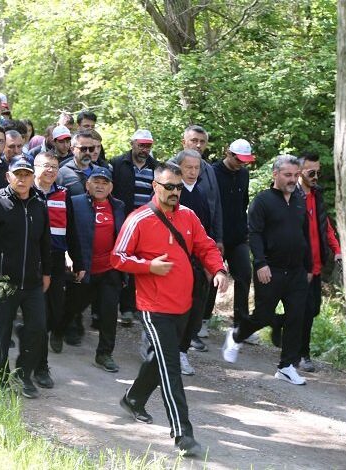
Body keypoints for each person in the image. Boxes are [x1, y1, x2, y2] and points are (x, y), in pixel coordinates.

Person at [112, 162, 227, 457]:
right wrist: (149, 265)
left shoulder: (188, 216)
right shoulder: (139, 219)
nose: (175, 192)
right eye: (169, 187)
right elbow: (118, 258)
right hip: (153, 306)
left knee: (158, 360)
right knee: (170, 367)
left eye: (178, 187)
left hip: (184, 305)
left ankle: (133, 399)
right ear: (155, 186)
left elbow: (206, 247)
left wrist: (218, 270)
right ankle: (183, 436)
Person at [223, 155, 311, 386]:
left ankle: (286, 366)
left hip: (297, 271)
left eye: (295, 175)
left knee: (296, 318)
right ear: (275, 174)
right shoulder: (262, 201)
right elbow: (254, 234)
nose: (293, 180)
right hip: (270, 269)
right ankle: (236, 335)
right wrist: (260, 263)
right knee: (262, 315)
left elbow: (305, 235)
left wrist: (309, 267)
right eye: (288, 175)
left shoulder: (300, 200)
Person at [0, 158, 52, 399]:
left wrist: (47, 272)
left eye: (26, 174)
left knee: (38, 328)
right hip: (3, 281)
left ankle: (23, 374)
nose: (22, 178)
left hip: (32, 281)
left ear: (32, 177)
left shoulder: (40, 205)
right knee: (0, 332)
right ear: (8, 177)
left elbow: (45, 243)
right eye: (17, 174)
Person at [63, 165, 125, 372]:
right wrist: (68, 256)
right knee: (72, 307)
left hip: (110, 270)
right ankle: (57, 330)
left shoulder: (118, 206)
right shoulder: (75, 203)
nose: (100, 186)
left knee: (109, 313)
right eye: (96, 182)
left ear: (111, 187)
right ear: (87, 185)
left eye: (104, 183)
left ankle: (104, 354)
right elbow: (66, 232)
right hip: (84, 268)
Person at [33, 151, 82, 385]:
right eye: (46, 166)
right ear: (35, 168)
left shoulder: (64, 194)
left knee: (56, 308)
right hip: (30, 261)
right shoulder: (26, 192)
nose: (51, 170)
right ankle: (40, 367)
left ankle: (37, 337)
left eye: (54, 166)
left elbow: (72, 231)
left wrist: (78, 260)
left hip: (55, 260)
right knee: (39, 316)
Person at [292, 152, 342, 372]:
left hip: (317, 263)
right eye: (311, 172)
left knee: (311, 310)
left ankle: (297, 350)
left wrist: (337, 250)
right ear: (300, 171)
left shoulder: (317, 195)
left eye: (318, 172)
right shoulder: (290, 196)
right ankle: (300, 354)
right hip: (297, 265)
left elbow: (326, 227)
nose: (315, 176)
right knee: (299, 309)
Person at [170, 149, 214, 375]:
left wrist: (210, 263)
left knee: (195, 310)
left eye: (197, 168)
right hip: (171, 261)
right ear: (179, 168)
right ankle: (157, 347)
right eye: (188, 167)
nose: (193, 172)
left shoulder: (201, 194)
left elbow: (206, 232)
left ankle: (182, 351)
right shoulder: (171, 192)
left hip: (196, 263)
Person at [209, 139, 254, 350]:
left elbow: (243, 202)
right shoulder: (212, 172)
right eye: (238, 159)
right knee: (212, 278)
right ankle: (202, 321)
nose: (241, 164)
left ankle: (241, 325)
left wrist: (245, 230)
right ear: (228, 153)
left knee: (245, 274)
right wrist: (214, 237)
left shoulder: (243, 174)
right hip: (215, 236)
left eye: (245, 161)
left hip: (238, 236)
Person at [110, 129, 158, 327]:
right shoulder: (117, 164)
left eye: (148, 146)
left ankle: (133, 307)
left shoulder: (156, 167)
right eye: (141, 145)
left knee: (140, 264)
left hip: (146, 223)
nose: (144, 149)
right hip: (122, 221)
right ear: (132, 143)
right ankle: (118, 307)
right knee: (120, 263)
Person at [55, 129, 96, 196]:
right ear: (72, 149)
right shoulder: (62, 174)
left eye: (91, 149)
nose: (88, 152)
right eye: (83, 149)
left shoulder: (101, 171)